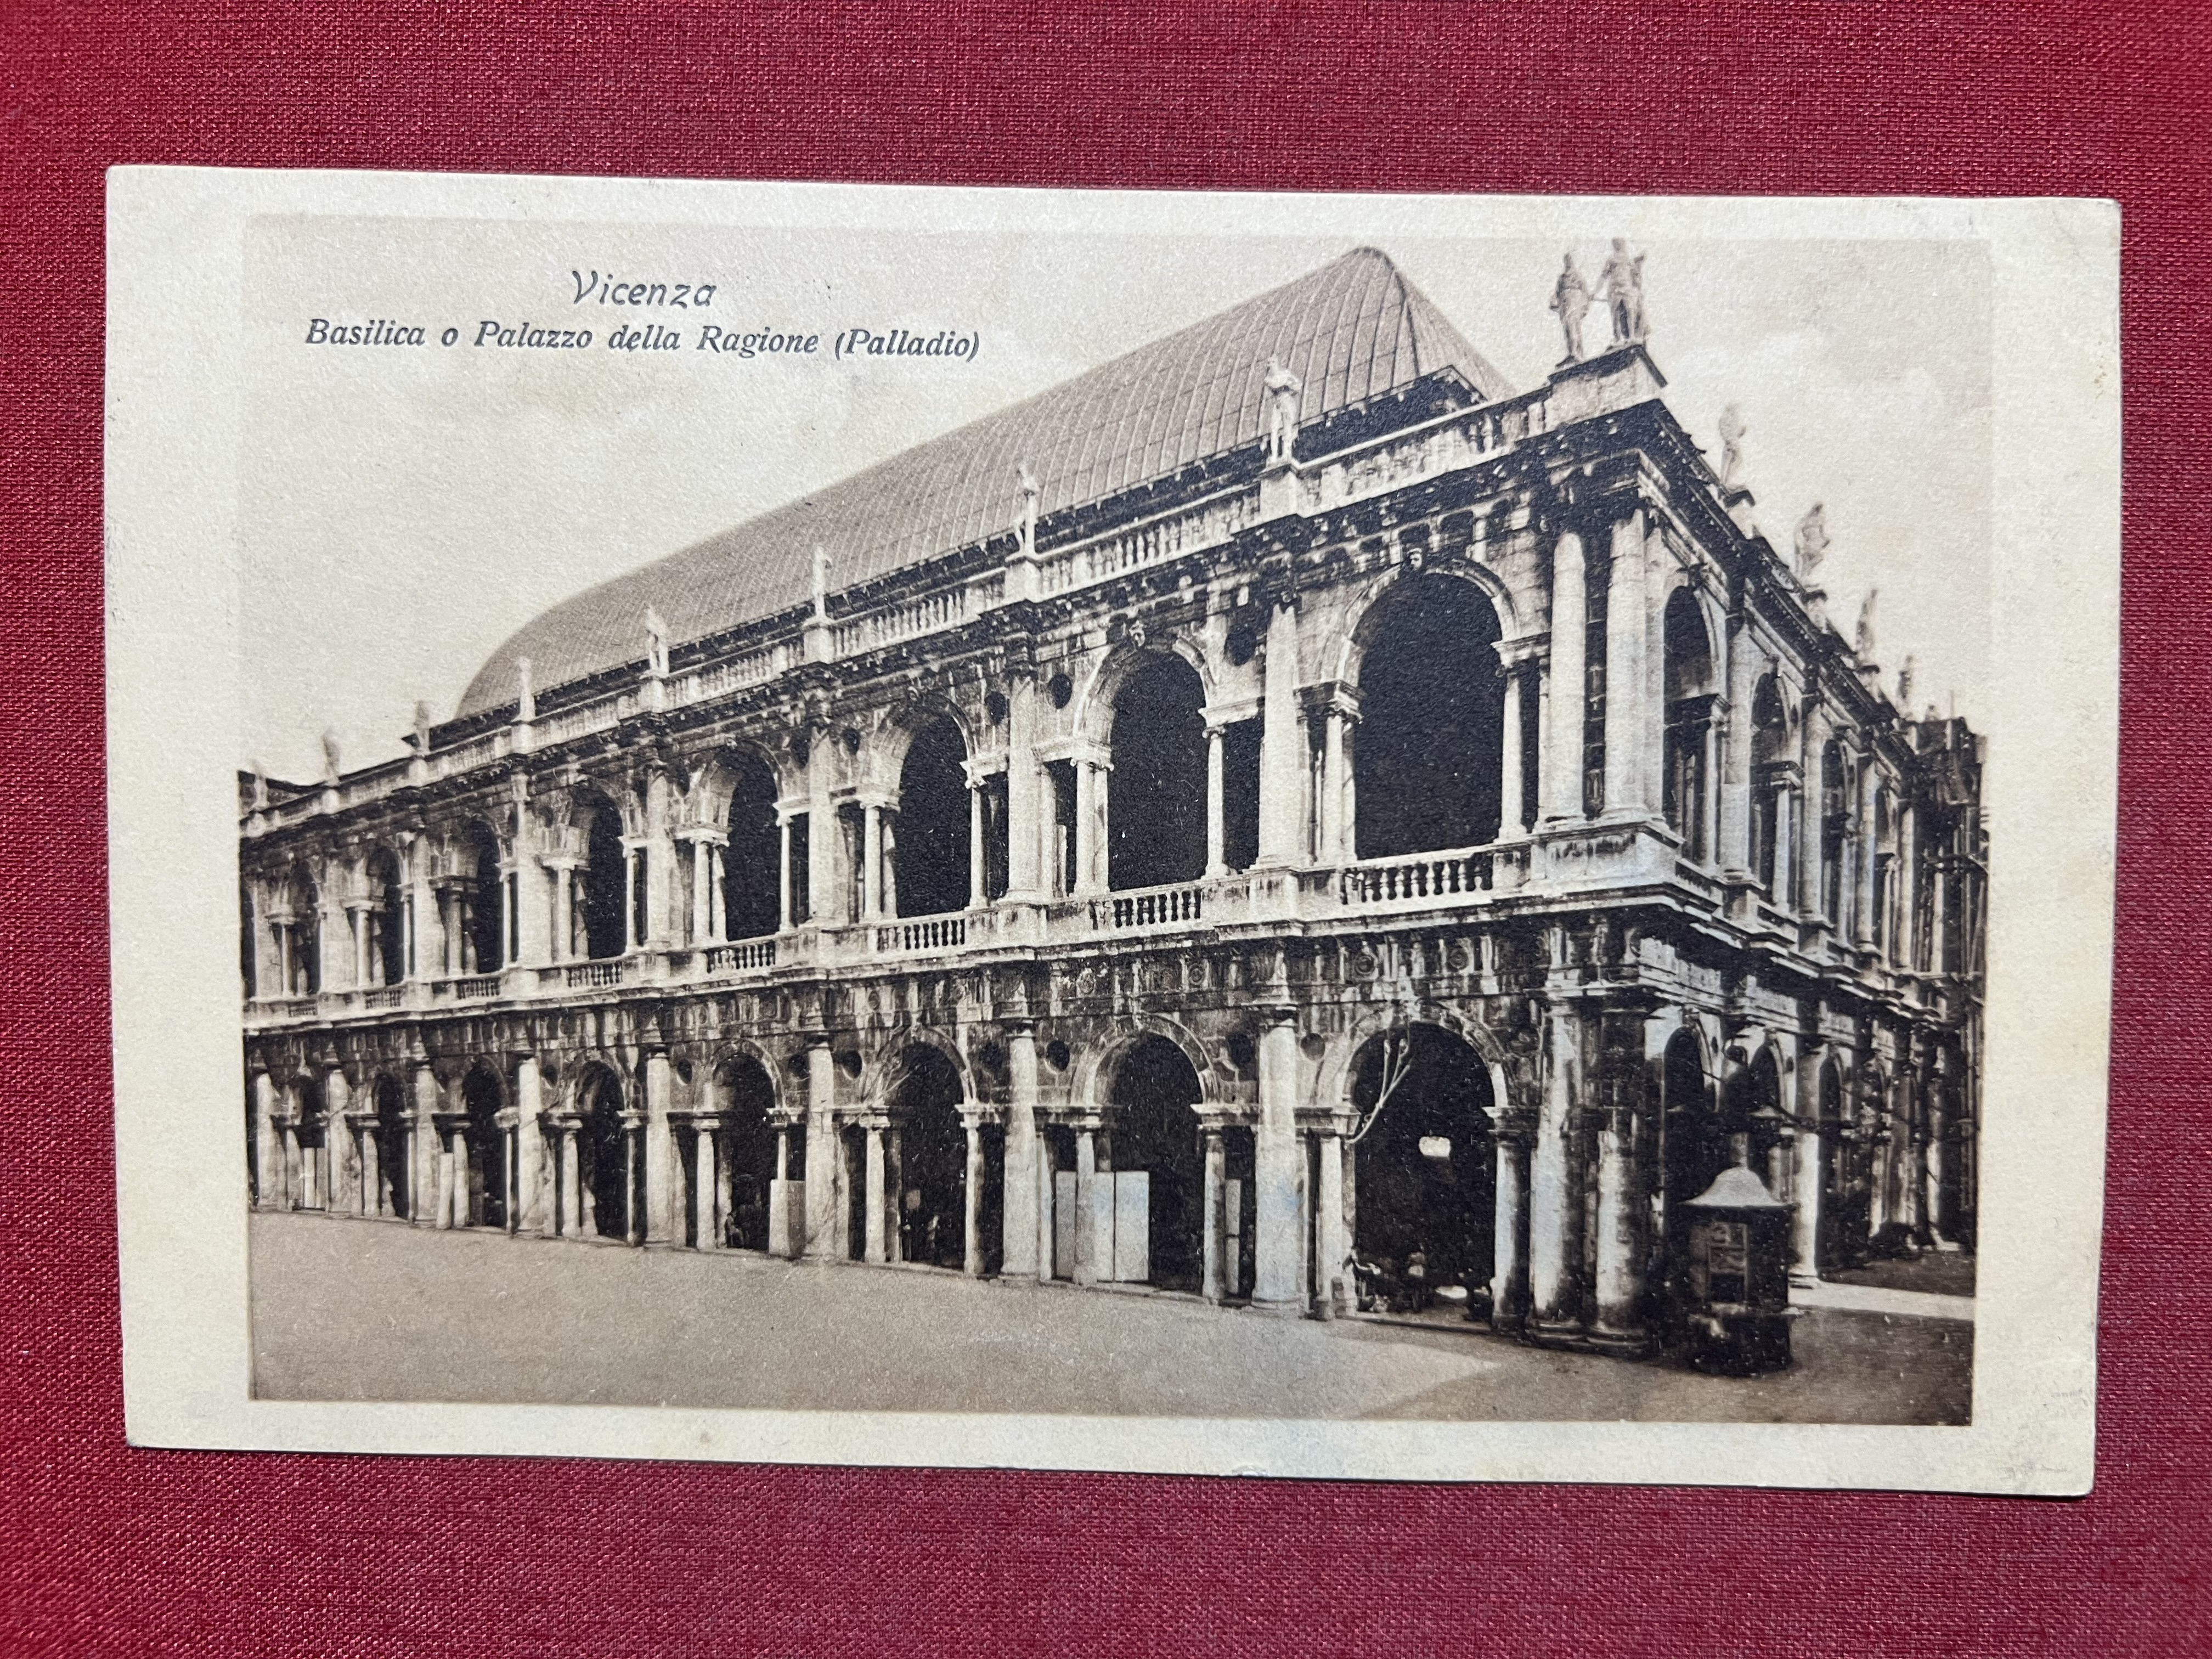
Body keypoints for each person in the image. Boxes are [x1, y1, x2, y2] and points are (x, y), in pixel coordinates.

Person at [1549, 252, 1592, 363]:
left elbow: (1585, 293)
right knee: (1568, 329)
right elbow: (1557, 294)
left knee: (1574, 328)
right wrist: (1555, 303)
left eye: (1570, 260)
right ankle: (1571, 352)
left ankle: (1575, 352)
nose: (1568, 262)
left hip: (1574, 304)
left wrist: (1584, 307)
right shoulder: (1562, 278)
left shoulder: (1578, 277)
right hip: (1565, 305)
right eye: (1567, 260)